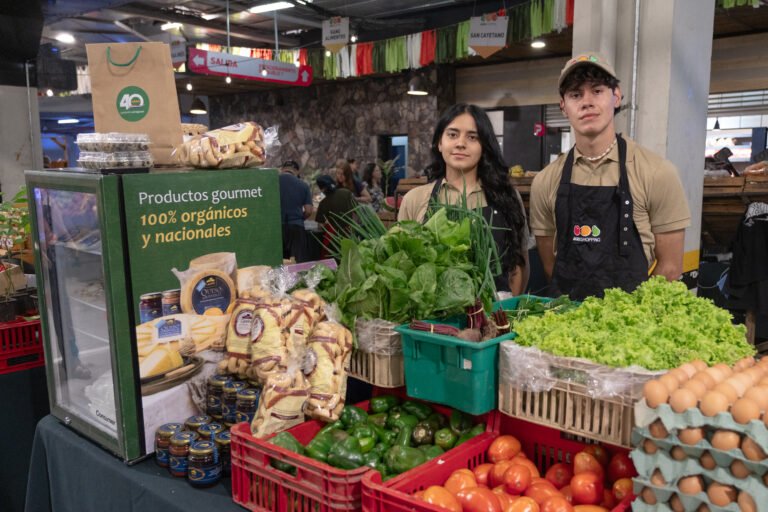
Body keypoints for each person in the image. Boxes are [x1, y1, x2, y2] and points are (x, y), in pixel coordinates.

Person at [529, 52, 691, 301]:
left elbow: (670, 268)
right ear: (563, 106)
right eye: (575, 95)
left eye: (597, 91)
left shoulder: (657, 173)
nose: (586, 102)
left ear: (616, 96)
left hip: (634, 325)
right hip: (567, 322)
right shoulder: (545, 182)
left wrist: (629, 319)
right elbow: (551, 266)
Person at [398, 103, 529, 294]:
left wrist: (508, 313)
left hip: (494, 316)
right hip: (435, 320)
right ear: (439, 142)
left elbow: (517, 265)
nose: (461, 143)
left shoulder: (507, 197)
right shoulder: (415, 199)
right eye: (452, 134)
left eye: (472, 137)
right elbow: (404, 265)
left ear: (484, 146)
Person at [278, 160, 313, 263]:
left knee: (279, 263)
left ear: (282, 169)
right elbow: (309, 211)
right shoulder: (303, 185)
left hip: (277, 228)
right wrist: (299, 218)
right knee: (297, 263)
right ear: (297, 171)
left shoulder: (273, 182)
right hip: (297, 228)